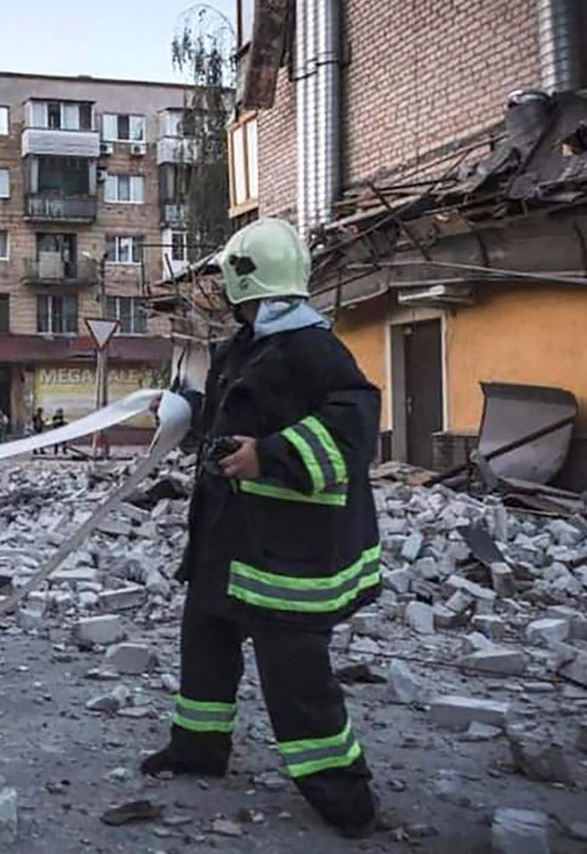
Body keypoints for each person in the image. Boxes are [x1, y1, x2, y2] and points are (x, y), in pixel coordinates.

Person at [142, 218, 383, 839]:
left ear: (245, 286)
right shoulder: (242, 347)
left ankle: (343, 794)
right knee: (205, 645)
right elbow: (224, 417)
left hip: (286, 554)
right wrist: (181, 413)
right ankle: (198, 747)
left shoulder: (315, 350)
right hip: (229, 539)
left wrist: (268, 455)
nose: (228, 300)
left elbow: (354, 432)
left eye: (231, 288)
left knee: (296, 678)